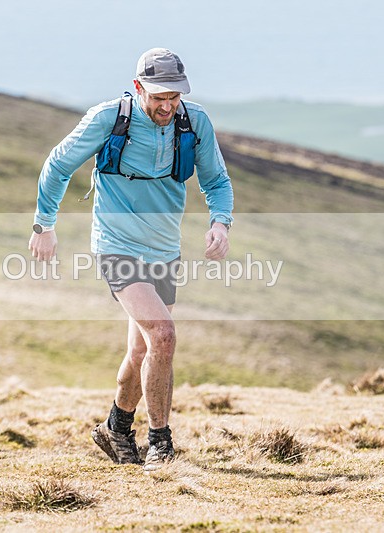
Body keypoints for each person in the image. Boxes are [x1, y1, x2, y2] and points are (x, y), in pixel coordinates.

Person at [29, 49, 234, 472]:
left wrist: (220, 223)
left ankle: (116, 427)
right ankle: (160, 443)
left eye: (174, 97)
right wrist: (43, 225)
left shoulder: (194, 121)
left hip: (164, 248)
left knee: (142, 350)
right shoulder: (109, 118)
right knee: (164, 335)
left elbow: (216, 180)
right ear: (138, 87)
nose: (167, 106)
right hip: (116, 244)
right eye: (158, 97)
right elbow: (57, 165)